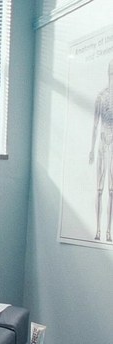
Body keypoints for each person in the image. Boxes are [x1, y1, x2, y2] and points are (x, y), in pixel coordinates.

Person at [89, 58, 113, 242]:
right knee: (99, 188)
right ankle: (98, 230)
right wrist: (91, 148)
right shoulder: (101, 96)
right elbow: (95, 125)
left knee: (111, 190)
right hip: (102, 144)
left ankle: (108, 232)